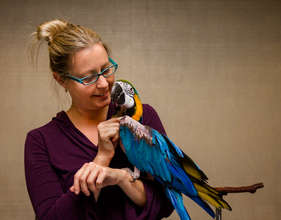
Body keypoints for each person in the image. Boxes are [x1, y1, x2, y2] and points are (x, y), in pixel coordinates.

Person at [24, 19, 173, 220]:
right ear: (61, 79)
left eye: (106, 69)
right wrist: (102, 159)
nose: (104, 84)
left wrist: (121, 177)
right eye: (88, 78)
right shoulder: (40, 141)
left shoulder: (143, 117)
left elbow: (166, 203)